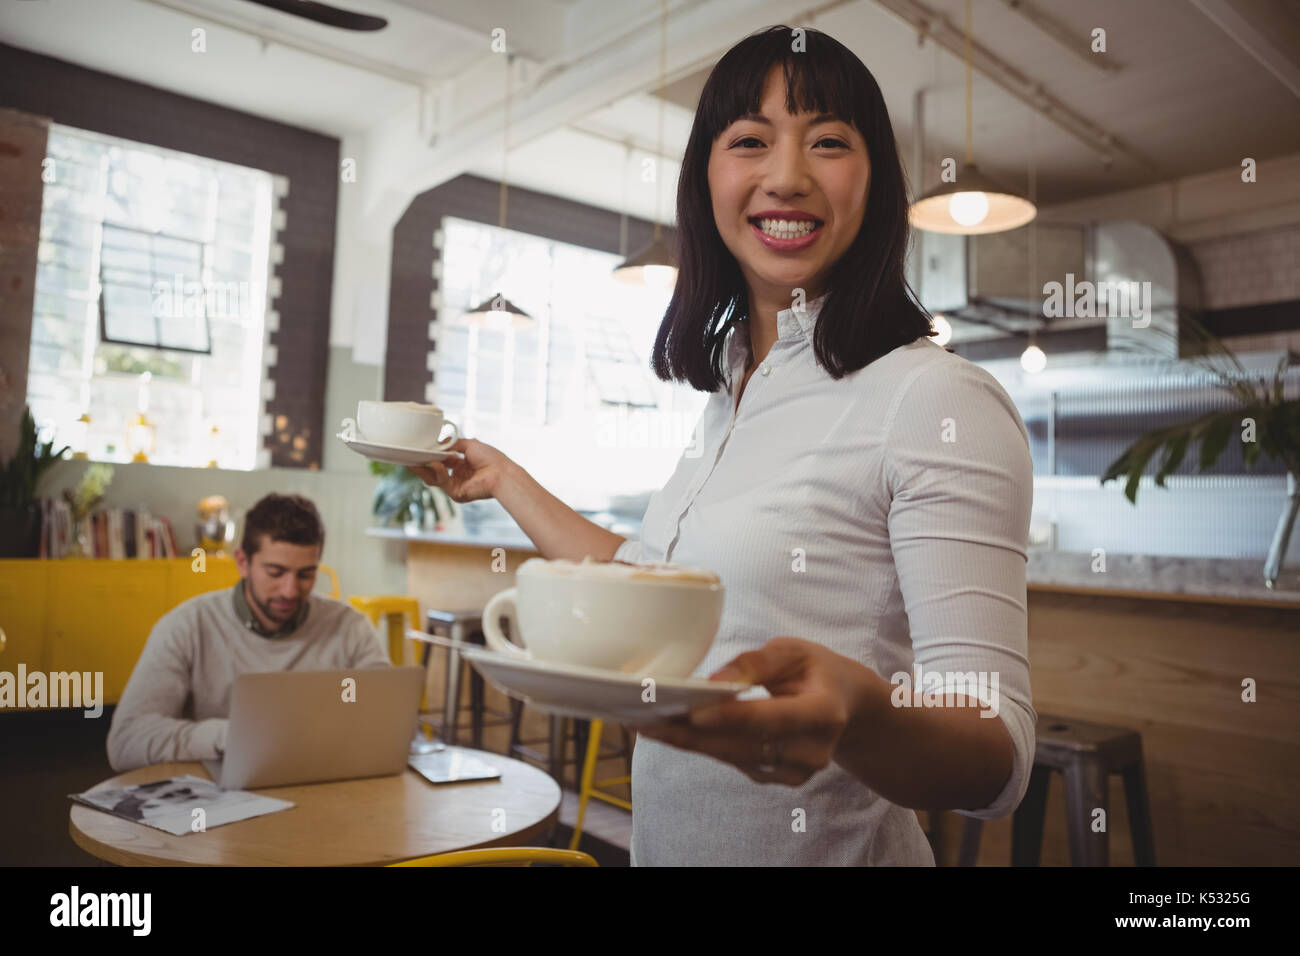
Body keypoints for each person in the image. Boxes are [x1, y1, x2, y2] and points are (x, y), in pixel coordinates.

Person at [413, 25, 1035, 866]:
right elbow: (650, 588)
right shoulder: (738, 386)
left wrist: (860, 714)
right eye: (749, 141)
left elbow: (994, 751)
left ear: (876, 182)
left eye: (829, 142)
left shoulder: (933, 397)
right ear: (705, 177)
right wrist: (506, 478)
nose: (787, 176)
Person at [106, 493, 390, 773]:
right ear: (243, 562)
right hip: (219, 805)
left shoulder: (350, 627)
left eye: (305, 574)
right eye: (275, 572)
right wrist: (230, 736)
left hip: (328, 792)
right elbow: (126, 741)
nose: (290, 591)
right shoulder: (186, 626)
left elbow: (388, 721)